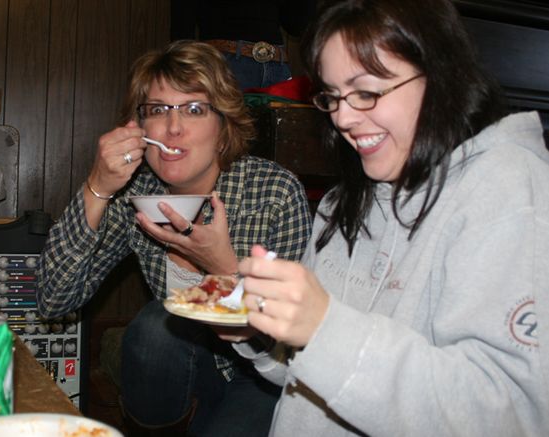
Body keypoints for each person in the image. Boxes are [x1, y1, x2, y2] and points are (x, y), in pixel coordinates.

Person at [233, 0, 549, 435]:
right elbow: (309, 377)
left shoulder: (509, 188)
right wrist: (261, 331)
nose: (343, 117)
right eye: (332, 95)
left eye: (366, 91)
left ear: (440, 77)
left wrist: (325, 328)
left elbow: (511, 415)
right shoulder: (341, 204)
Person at [35, 40, 312, 437]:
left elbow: (292, 342)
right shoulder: (137, 195)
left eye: (195, 109)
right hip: (182, 370)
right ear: (140, 128)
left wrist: (223, 269)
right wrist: (97, 186)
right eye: (157, 110)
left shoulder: (272, 192)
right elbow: (54, 298)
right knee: (157, 326)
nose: (173, 127)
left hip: (262, 375)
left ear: (224, 126)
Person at [170, 0, 316, 90]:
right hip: (224, 63)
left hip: (277, 65)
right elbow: (182, 21)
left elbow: (298, 25)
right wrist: (182, 72)